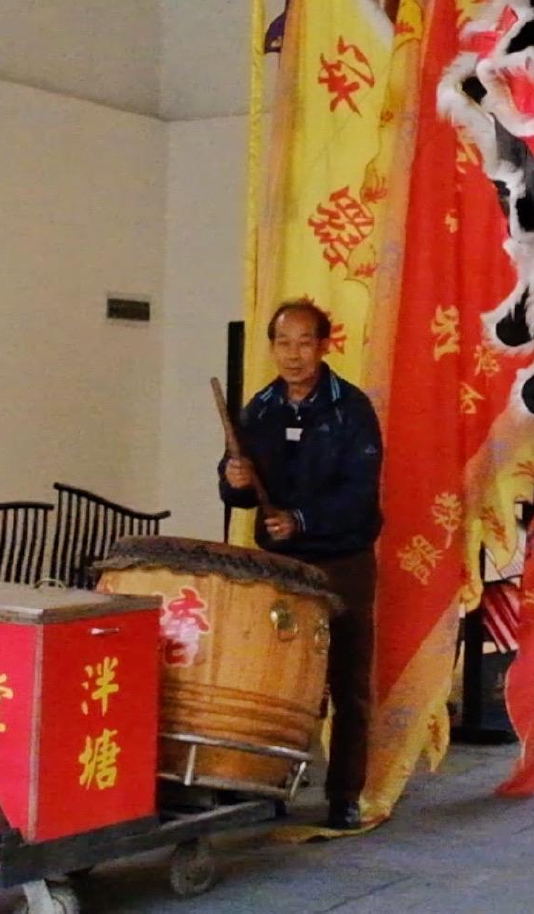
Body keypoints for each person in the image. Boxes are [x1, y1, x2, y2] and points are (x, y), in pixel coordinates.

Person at [219, 298, 383, 831]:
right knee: (282, 681)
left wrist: (302, 520)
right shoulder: (261, 408)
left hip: (342, 561)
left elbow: (360, 495)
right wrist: (233, 481)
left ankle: (345, 795)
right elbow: (237, 489)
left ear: (324, 346)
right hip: (280, 567)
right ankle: (273, 783)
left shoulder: (351, 409)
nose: (293, 354)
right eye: (282, 343)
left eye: (304, 343)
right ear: (272, 347)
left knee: (348, 682)